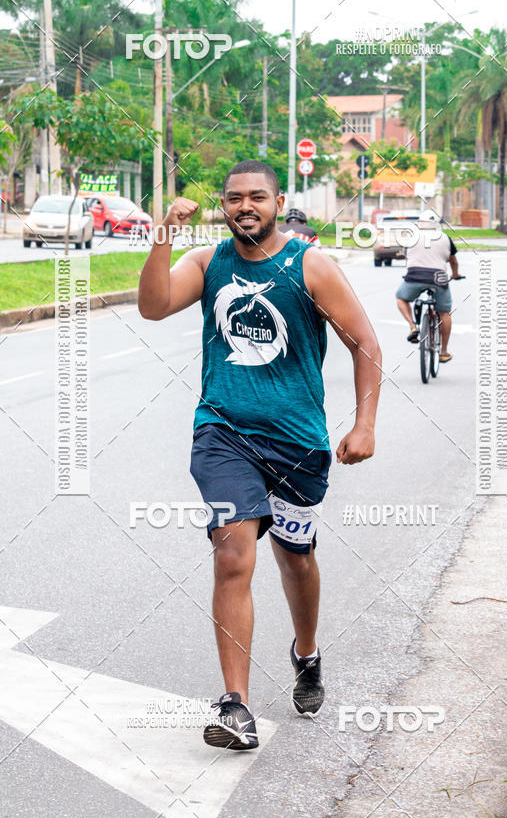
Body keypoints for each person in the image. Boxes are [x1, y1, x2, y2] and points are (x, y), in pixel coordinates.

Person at [138, 160, 381, 751]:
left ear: (277, 202)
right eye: (234, 198)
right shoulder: (208, 262)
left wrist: (365, 424)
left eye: (257, 198)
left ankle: (306, 652)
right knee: (233, 552)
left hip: (297, 441)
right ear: (223, 205)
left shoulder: (310, 265)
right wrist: (163, 234)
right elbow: (153, 306)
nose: (244, 206)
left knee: (295, 558)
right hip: (222, 433)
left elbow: (365, 343)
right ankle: (235, 706)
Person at [395, 217, 462, 363]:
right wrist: (455, 274)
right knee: (444, 313)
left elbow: (406, 257)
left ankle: (413, 326)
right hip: (438, 279)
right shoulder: (445, 238)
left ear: (420, 224)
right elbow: (453, 261)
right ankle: (443, 352)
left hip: (414, 277)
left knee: (401, 297)